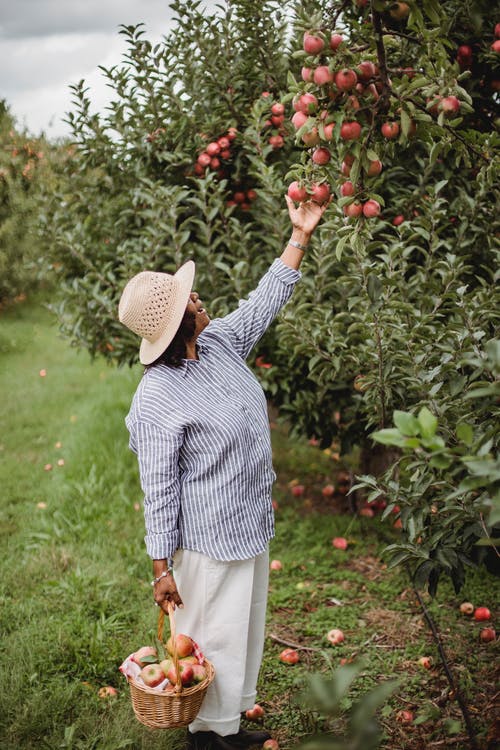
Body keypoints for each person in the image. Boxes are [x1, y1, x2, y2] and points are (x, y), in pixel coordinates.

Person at [118, 195, 330, 750]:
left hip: (248, 526)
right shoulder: (159, 396)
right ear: (175, 320)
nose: (199, 296)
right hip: (208, 545)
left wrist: (300, 234)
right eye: (190, 297)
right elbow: (159, 491)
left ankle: (220, 730)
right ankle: (209, 739)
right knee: (210, 644)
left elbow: (263, 302)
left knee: (237, 643)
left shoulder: (217, 344)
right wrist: (161, 568)